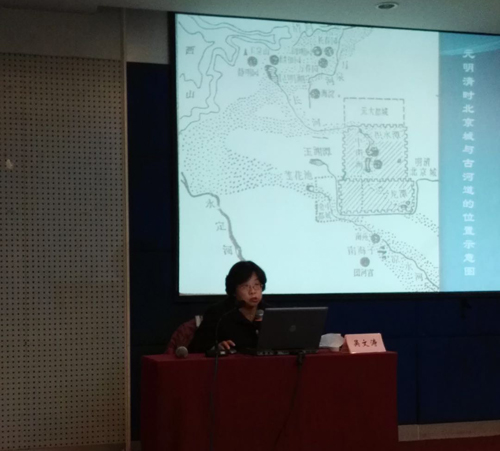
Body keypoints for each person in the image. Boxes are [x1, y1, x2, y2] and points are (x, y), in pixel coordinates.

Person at [188, 261, 268, 353]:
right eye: (245, 286)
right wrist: (216, 347)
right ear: (233, 290)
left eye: (257, 285)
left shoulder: (270, 312)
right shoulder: (218, 313)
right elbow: (196, 347)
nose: (252, 291)